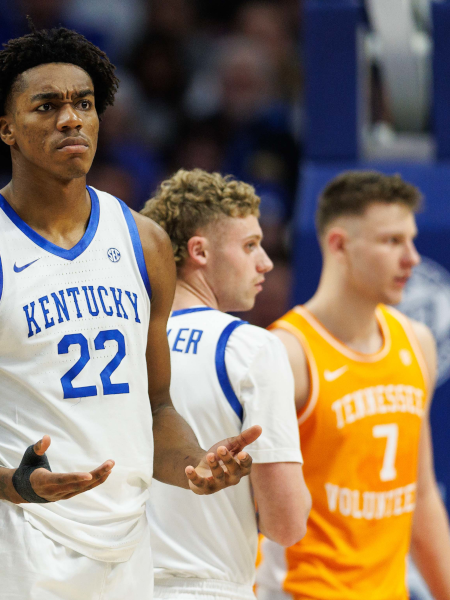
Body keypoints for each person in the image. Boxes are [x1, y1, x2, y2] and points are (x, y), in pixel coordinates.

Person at [0, 27, 260, 600]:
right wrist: (9, 483)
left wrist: (195, 463)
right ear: (6, 127)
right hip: (16, 544)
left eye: (84, 103)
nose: (71, 119)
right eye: (47, 106)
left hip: (129, 545)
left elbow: (156, 408)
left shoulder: (144, 241)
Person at [255, 171, 450, 600]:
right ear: (339, 245)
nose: (412, 258)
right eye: (392, 242)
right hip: (303, 591)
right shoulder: (286, 353)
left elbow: (421, 495)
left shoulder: (416, 342)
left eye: (411, 239)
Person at [141, 169, 310, 600]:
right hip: (207, 587)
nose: (266, 262)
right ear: (199, 250)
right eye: (250, 245)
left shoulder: (118, 341)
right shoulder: (250, 347)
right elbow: (286, 523)